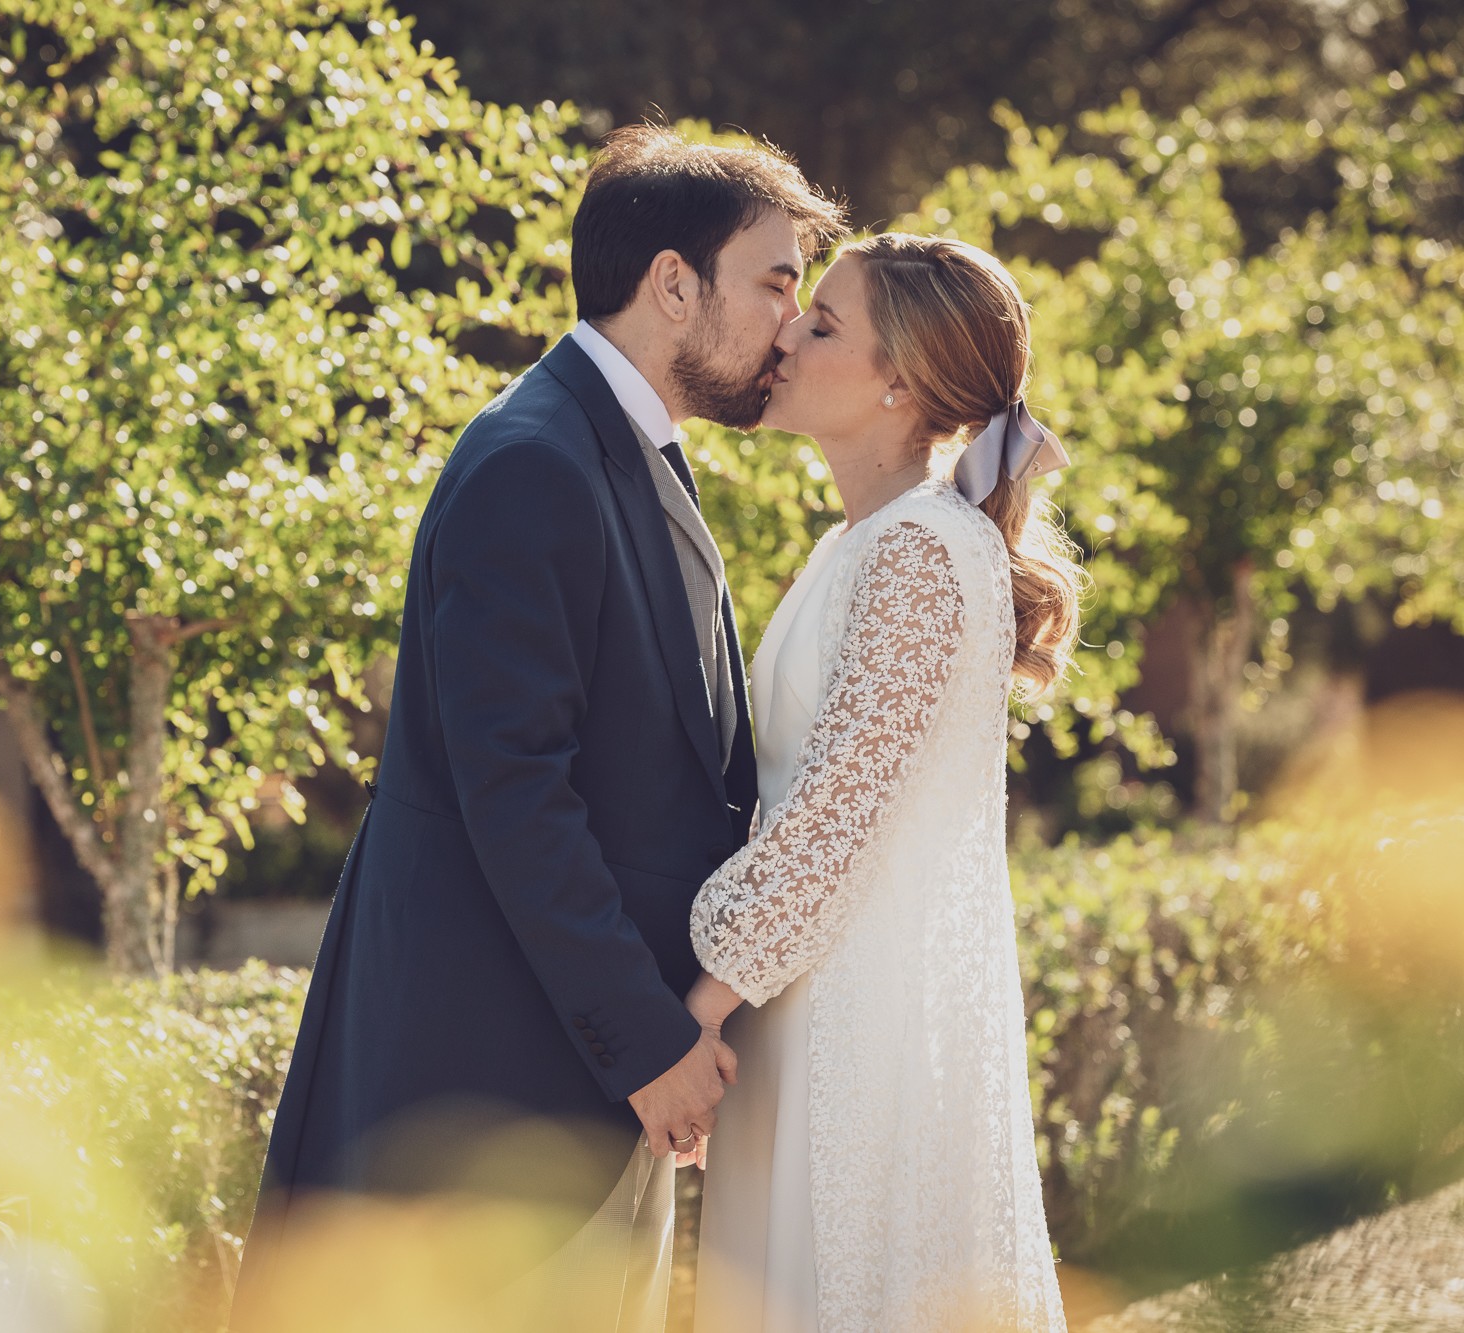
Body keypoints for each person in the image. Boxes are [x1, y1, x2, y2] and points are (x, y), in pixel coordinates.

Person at [229, 126, 844, 1333]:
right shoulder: (533, 461)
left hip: (589, 1088)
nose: (791, 320)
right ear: (674, 283)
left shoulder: (624, 450)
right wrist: (647, 1041)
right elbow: (515, 794)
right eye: (775, 281)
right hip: (494, 1102)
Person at [685, 233, 1080, 1332]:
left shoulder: (917, 552)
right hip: (801, 1009)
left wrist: (688, 1016)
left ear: (898, 382)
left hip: (859, 1038)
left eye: (820, 323)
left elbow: (833, 825)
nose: (783, 336)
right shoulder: (853, 546)